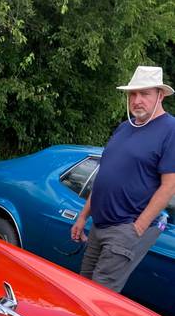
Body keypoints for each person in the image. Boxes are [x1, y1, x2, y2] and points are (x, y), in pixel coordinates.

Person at [71, 66, 175, 292]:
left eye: (144, 93)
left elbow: (169, 187)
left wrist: (138, 227)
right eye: (133, 94)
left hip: (124, 229)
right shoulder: (123, 128)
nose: (137, 100)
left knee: (98, 298)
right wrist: (83, 216)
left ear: (160, 95)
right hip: (98, 226)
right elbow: (104, 175)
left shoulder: (170, 130)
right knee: (82, 288)